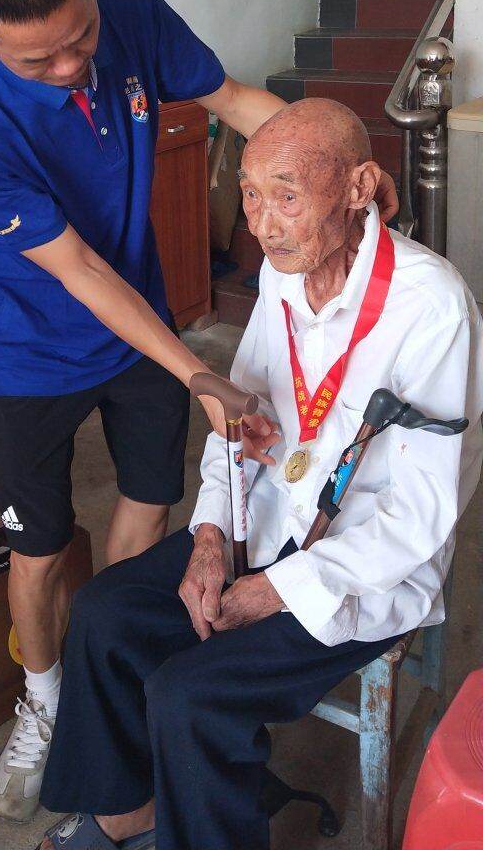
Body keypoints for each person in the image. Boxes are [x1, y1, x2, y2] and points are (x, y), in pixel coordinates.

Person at [0, 0, 400, 819]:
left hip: (139, 320)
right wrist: (194, 367)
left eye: (81, 38)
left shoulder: (134, 10)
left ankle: (111, 685)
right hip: (34, 347)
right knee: (36, 548)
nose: (71, 67)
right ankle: (47, 704)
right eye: (37, 60)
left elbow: (239, 104)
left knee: (147, 509)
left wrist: (338, 165)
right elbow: (79, 270)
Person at [36, 97, 483, 850]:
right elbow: (235, 420)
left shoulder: (432, 307)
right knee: (104, 613)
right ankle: (128, 813)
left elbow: (420, 516)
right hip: (267, 520)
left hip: (362, 566)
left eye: (286, 196)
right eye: (249, 195)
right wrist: (210, 534)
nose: (262, 225)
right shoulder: (283, 274)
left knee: (190, 695)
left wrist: (278, 589)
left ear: (358, 187)